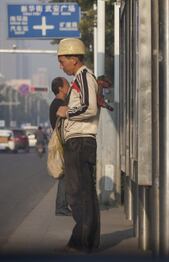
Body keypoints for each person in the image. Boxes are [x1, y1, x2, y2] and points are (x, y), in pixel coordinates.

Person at [55, 38, 100, 253]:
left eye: (62, 60)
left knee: (79, 195)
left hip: (80, 144)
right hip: (79, 144)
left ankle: (82, 244)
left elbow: (89, 109)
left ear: (74, 59)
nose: (60, 65)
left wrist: (67, 112)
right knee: (82, 194)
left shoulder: (84, 77)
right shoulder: (81, 78)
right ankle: (82, 241)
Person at [49, 77, 71, 216]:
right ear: (60, 88)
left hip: (63, 142)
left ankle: (63, 205)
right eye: (67, 85)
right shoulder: (59, 104)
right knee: (65, 175)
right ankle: (61, 206)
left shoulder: (58, 103)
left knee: (66, 175)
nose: (68, 86)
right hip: (64, 143)